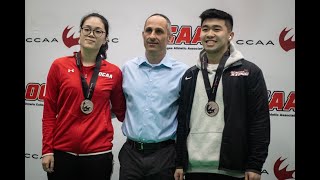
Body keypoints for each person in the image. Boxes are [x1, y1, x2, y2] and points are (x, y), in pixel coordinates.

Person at [174, 8, 270, 180]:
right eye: (205, 29)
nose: (209, 34)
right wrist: (180, 162)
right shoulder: (190, 75)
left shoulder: (249, 72)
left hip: (233, 169)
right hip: (193, 168)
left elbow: (259, 121)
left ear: (230, 35)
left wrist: (255, 165)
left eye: (216, 29)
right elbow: (182, 121)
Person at [41, 12, 126, 180]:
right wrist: (47, 150)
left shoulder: (114, 72)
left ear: (105, 38)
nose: (91, 34)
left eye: (98, 31)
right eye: (87, 29)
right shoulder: (59, 66)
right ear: (79, 34)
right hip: (62, 153)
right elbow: (49, 112)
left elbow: (121, 111)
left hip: (98, 155)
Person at [119, 13, 188, 180]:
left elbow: (187, 119)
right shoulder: (128, 69)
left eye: (159, 31)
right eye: (148, 30)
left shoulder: (183, 73)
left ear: (170, 38)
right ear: (142, 35)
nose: (152, 36)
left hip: (165, 156)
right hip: (131, 155)